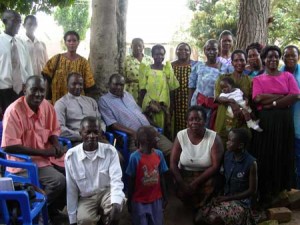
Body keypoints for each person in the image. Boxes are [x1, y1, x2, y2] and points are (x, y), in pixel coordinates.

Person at [1, 75, 67, 221]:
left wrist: (56, 144)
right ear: (25, 89)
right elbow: (8, 147)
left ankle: (51, 210)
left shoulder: (46, 106)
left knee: (74, 171)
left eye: (42, 90)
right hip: (24, 163)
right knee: (58, 181)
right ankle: (34, 212)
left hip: (46, 157)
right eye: (34, 90)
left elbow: (53, 130)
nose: (38, 94)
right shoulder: (14, 111)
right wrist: (44, 152)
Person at [251, 45, 300, 204]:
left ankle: (281, 190)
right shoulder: (258, 79)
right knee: (267, 152)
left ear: (279, 59)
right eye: (269, 57)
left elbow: (295, 96)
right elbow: (257, 99)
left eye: (275, 57)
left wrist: (271, 103)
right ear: (264, 59)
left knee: (282, 151)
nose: (272, 59)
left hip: (284, 120)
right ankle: (266, 191)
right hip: (266, 121)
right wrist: (281, 96)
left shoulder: (287, 76)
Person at [65, 116, 125, 225]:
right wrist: (72, 219)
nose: (92, 136)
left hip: (106, 192)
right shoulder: (71, 156)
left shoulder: (110, 151)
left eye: (96, 132)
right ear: (80, 133)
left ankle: (107, 218)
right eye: (87, 132)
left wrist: (116, 203)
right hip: (86, 197)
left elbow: (116, 180)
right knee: (84, 220)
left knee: (116, 208)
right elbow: (71, 189)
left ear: (101, 133)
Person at [98, 74, 173, 156]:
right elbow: (113, 124)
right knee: (142, 159)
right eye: (116, 84)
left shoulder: (128, 95)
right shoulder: (104, 101)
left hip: (150, 132)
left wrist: (154, 126)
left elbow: (140, 112)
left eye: (121, 85)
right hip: (133, 137)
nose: (119, 87)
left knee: (173, 151)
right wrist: (134, 133)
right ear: (109, 84)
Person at [195, 128, 257, 225]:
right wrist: (211, 197)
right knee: (199, 217)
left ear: (240, 145)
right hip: (225, 197)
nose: (227, 142)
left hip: (240, 203)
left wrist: (227, 198)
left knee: (213, 219)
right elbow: (220, 177)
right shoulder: (227, 156)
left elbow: (252, 191)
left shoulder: (251, 163)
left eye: (230, 141)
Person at [170, 106, 224, 215]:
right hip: (185, 173)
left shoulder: (214, 137)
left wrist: (195, 183)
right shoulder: (181, 135)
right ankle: (193, 204)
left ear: (205, 121)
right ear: (187, 122)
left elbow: (215, 166)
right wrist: (181, 183)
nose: (194, 122)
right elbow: (173, 163)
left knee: (210, 187)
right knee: (181, 189)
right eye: (191, 119)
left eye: (198, 119)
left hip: (206, 175)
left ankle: (202, 206)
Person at [126, 126, 168, 225]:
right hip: (139, 201)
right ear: (147, 142)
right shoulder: (134, 158)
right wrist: (129, 200)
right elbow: (131, 181)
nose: (158, 140)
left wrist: (165, 196)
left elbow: (161, 177)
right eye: (155, 138)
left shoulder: (159, 155)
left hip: (156, 199)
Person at [42, 30, 96, 103]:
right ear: (65, 43)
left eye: (74, 41)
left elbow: (89, 85)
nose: (72, 43)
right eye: (69, 41)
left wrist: (88, 103)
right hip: (57, 101)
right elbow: (47, 79)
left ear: (78, 42)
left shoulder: (84, 62)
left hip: (77, 102)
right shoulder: (56, 59)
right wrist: (45, 99)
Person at [139, 44, 179, 136]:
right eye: (156, 54)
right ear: (152, 55)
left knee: (163, 130)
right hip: (149, 103)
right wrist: (141, 105)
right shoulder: (146, 68)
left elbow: (172, 87)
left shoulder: (167, 68)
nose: (159, 57)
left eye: (161, 54)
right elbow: (142, 89)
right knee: (149, 128)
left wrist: (171, 105)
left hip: (163, 105)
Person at [54, 72, 106, 144]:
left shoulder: (91, 101)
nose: (78, 87)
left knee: (116, 154)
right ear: (67, 85)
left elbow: (100, 121)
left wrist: (101, 131)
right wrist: (82, 136)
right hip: (78, 141)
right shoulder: (61, 104)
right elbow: (60, 129)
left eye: (80, 84)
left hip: (97, 138)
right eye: (74, 84)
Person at [189, 39, 230, 128]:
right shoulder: (198, 66)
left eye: (214, 49)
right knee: (198, 129)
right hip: (198, 104)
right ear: (204, 51)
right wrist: (190, 107)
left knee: (213, 131)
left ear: (218, 50)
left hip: (217, 106)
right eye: (208, 49)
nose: (211, 52)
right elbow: (192, 87)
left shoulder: (225, 68)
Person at [214, 50, 252, 147]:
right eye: (236, 60)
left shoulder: (249, 80)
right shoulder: (223, 79)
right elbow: (217, 98)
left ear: (246, 61)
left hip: (241, 121)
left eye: (242, 60)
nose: (239, 63)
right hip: (224, 119)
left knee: (239, 148)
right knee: (222, 148)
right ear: (232, 63)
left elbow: (249, 99)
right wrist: (231, 102)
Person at [0, 10, 33, 115]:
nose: (18, 24)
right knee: (7, 122)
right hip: (4, 92)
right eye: (15, 21)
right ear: (5, 21)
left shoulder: (21, 43)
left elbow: (28, 67)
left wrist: (30, 87)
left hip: (22, 90)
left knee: (23, 121)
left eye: (20, 21)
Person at [281, 45, 300, 188]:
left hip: (298, 124)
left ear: (298, 57)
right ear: (283, 58)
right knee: (285, 159)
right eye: (287, 55)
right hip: (282, 125)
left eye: (293, 55)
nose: (290, 58)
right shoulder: (277, 74)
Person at [172, 42, 198, 136]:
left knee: (191, 121)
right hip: (175, 99)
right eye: (180, 49)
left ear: (190, 52)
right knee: (176, 123)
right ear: (176, 51)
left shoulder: (196, 65)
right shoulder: (171, 66)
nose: (183, 51)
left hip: (191, 98)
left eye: (186, 50)